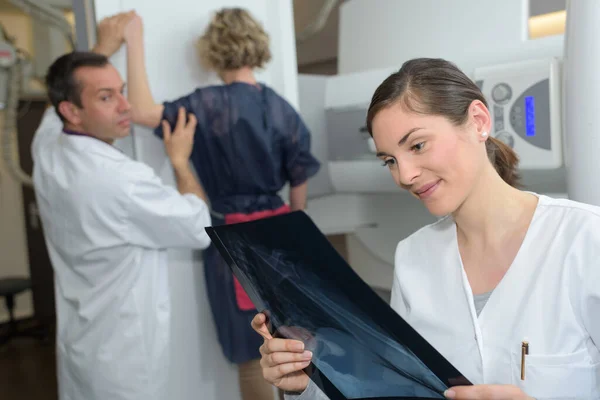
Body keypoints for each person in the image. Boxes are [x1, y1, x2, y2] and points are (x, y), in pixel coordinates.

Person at [251, 58, 600, 400]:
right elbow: (398, 389)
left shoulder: (585, 241)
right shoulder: (413, 257)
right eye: (390, 160)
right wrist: (307, 382)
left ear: (478, 121)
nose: (404, 175)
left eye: (417, 145)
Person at [122, 8, 321, 400]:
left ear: (213, 51)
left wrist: (133, 41)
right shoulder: (283, 110)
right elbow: (299, 193)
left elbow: (143, 111)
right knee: (292, 346)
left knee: (252, 355)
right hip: (282, 238)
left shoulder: (206, 105)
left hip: (232, 240)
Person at [32, 12, 213, 400]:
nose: (126, 105)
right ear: (73, 112)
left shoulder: (48, 146)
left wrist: (103, 50)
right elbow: (200, 229)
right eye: (106, 97)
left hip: (82, 347)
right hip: (127, 363)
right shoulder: (121, 180)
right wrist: (180, 162)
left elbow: (53, 109)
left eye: (121, 90)